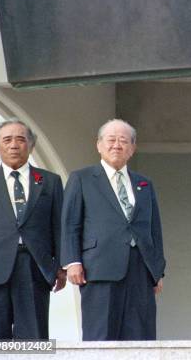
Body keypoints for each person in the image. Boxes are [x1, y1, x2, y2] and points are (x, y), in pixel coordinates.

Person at [61, 119, 166, 341]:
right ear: (98, 145)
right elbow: (70, 223)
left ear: (132, 148)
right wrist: (73, 261)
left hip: (141, 269)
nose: (117, 145)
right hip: (99, 268)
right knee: (101, 336)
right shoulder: (82, 178)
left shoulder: (144, 183)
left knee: (141, 337)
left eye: (123, 141)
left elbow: (154, 229)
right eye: (111, 140)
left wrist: (158, 270)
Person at [0, 119, 66, 339]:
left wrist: (60, 266)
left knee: (33, 338)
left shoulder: (50, 181)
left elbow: (59, 226)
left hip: (34, 266)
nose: (14, 145)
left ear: (31, 146)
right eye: (7, 140)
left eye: (21, 140)